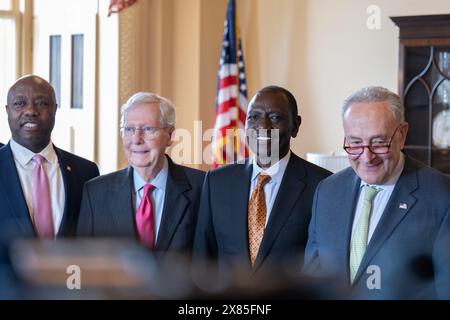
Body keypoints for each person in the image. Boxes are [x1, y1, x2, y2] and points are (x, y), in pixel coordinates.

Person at [303, 86, 450, 299]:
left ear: (402, 134)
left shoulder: (441, 196)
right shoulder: (327, 192)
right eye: (355, 143)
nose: (367, 157)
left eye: (379, 142)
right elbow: (311, 282)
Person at [193, 85, 332, 277]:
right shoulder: (216, 183)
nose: (263, 126)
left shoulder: (323, 185)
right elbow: (202, 262)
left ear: (296, 125)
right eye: (254, 117)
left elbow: (323, 267)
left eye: (275, 117)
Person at [77, 92, 205, 257]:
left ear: (170, 135)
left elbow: (212, 262)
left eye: (148, 129)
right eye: (129, 129)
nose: (136, 139)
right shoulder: (95, 193)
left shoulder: (202, 188)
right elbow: (85, 262)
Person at [0, 75, 99, 245]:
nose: (31, 111)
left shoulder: (86, 172)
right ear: (7, 110)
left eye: (42, 103)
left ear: (55, 109)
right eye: (20, 103)